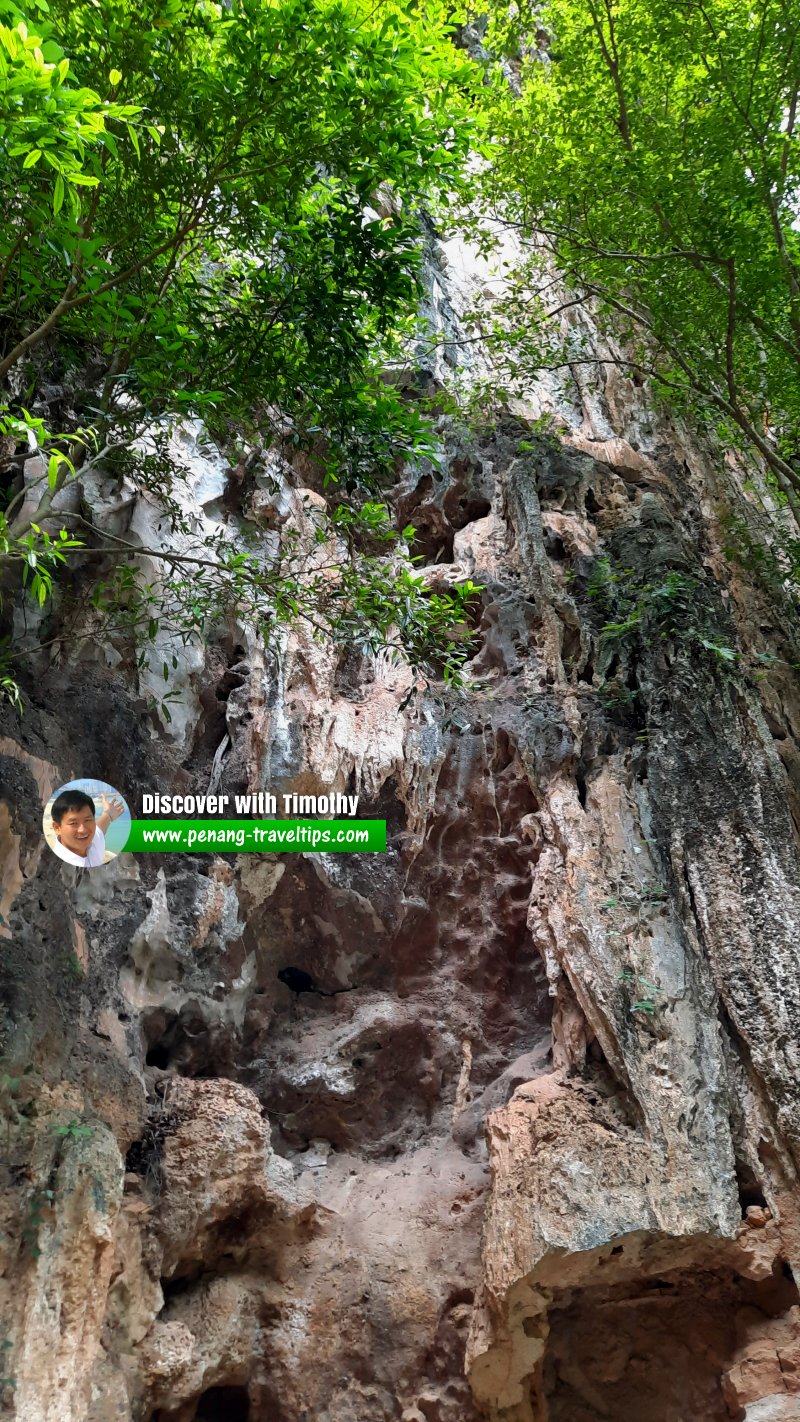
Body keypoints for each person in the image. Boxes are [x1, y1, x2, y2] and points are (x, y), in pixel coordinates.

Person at [50, 789, 125, 868]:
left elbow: (99, 828)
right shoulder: (56, 866)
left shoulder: (92, 843)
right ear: (57, 828)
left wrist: (108, 814)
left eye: (87, 820)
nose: (83, 830)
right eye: (73, 823)